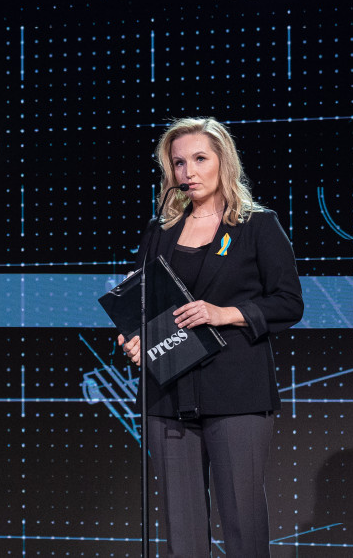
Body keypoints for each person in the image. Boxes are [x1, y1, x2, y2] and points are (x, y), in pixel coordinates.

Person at [117, 117, 304, 557]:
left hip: (236, 391)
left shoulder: (257, 225)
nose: (189, 172)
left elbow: (288, 303)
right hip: (168, 394)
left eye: (200, 159)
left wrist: (224, 314)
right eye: (179, 163)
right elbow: (144, 304)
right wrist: (133, 338)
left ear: (224, 161)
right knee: (182, 532)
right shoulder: (160, 230)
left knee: (243, 524)